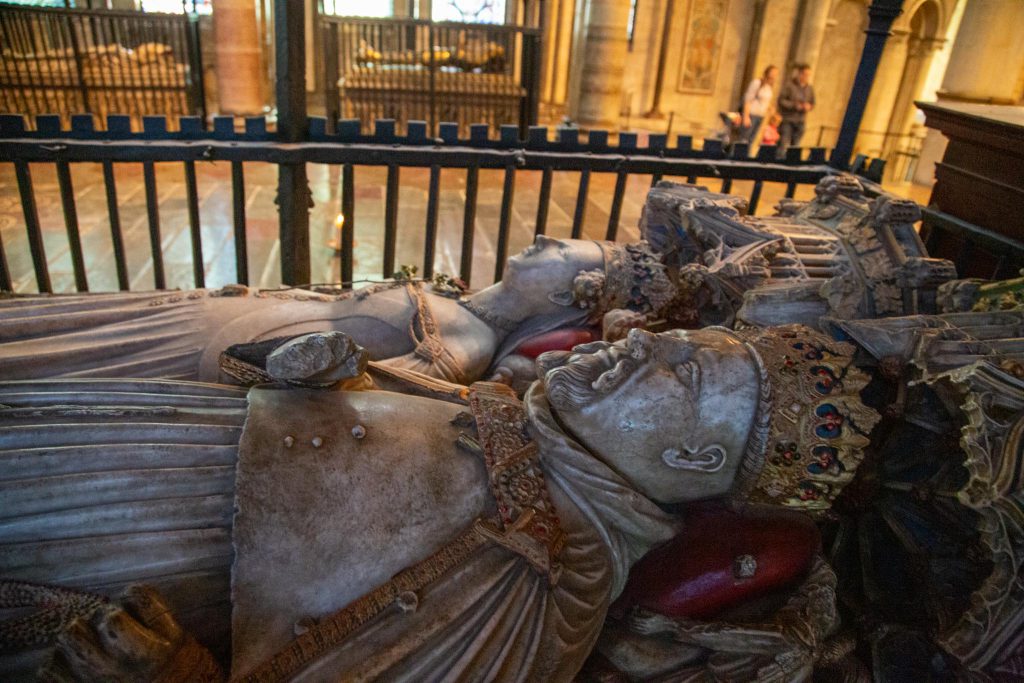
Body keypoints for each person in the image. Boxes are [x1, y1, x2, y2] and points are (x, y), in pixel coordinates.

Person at [0, 323, 879, 681]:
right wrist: (327, 372)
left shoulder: (548, 580)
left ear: (689, 455)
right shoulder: (506, 414)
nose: (638, 337)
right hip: (142, 438)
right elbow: (362, 428)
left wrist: (179, 673)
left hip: (139, 547)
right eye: (675, 335)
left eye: (679, 368)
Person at [0, 237, 674, 387]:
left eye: (564, 250)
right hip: (233, 314)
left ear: (572, 292)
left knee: (61, 362)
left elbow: (363, 391)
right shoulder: (460, 301)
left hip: (219, 353)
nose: (546, 239)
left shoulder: (463, 343)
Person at [777, 63, 815, 157]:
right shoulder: (789, 86)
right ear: (799, 74)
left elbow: (813, 103)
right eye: (805, 74)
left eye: (808, 75)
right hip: (788, 120)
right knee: (783, 144)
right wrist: (794, 105)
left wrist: (808, 106)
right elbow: (781, 101)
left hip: (801, 121)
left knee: (795, 146)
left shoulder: (809, 88)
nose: (807, 77)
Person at [740, 65, 778, 145]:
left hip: (761, 116)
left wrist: (771, 109)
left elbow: (766, 101)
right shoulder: (757, 83)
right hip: (752, 114)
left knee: (752, 139)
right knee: (745, 139)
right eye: (773, 73)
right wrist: (746, 116)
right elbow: (748, 99)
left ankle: (747, 155)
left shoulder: (769, 87)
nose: (774, 75)